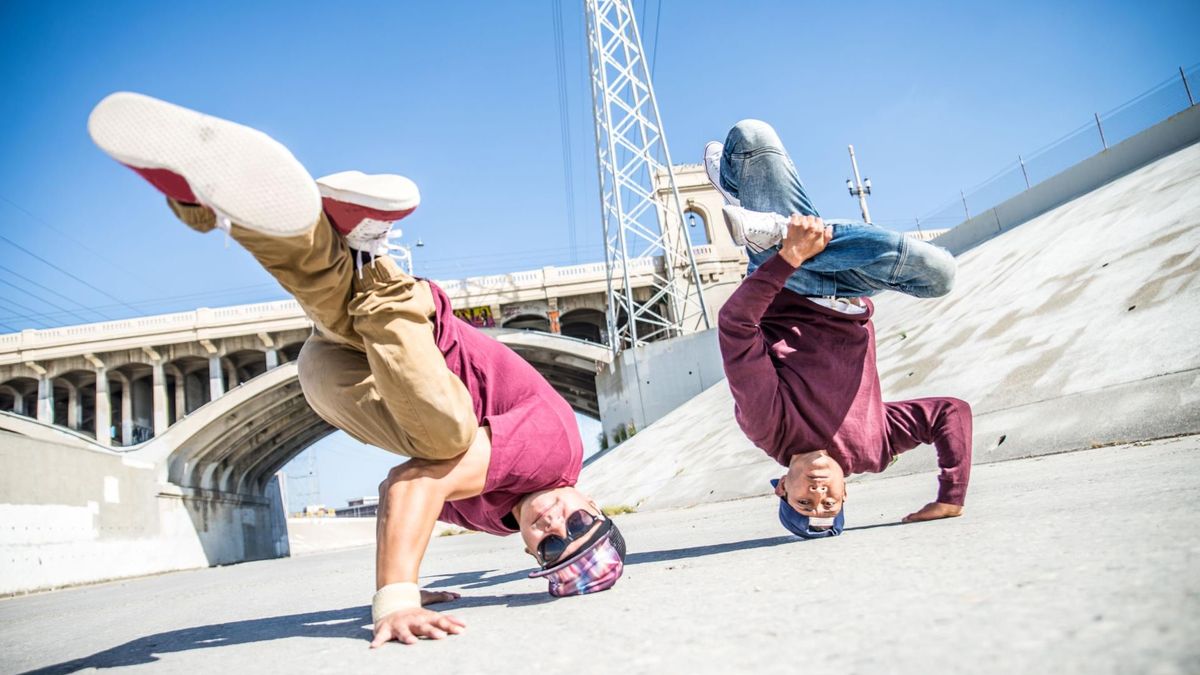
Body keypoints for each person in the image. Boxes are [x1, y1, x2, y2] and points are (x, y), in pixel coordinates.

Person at [88, 92, 625, 647]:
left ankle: (356, 243)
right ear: (593, 504)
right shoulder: (555, 453)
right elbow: (416, 485)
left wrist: (412, 583)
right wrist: (397, 598)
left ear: (529, 552)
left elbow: (400, 488)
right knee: (441, 431)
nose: (557, 527)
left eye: (554, 548)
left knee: (340, 305)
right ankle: (277, 230)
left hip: (340, 375)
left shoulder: (494, 516)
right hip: (413, 328)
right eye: (580, 526)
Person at [704, 119, 973, 539]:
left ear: (780, 490)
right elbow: (949, 413)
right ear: (846, 492)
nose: (818, 493)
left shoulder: (767, 426)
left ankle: (781, 237)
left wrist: (789, 258)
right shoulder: (874, 449)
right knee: (941, 275)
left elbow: (736, 326)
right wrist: (951, 495)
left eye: (804, 502)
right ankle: (771, 227)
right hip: (849, 288)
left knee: (753, 136)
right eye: (828, 503)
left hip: (794, 279)